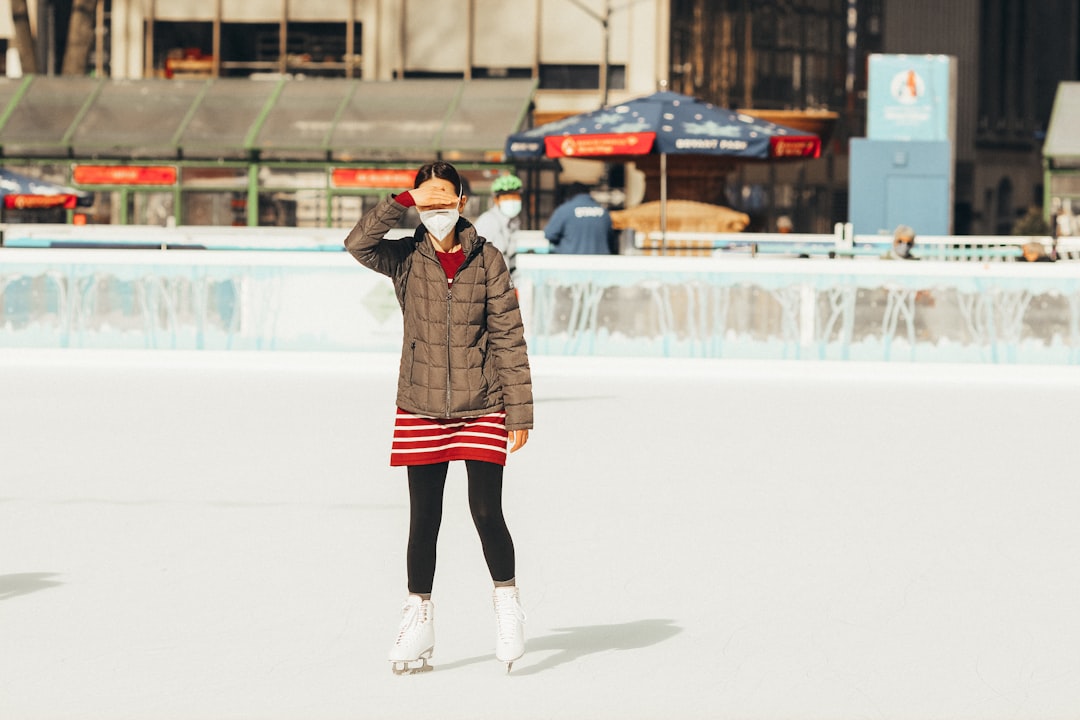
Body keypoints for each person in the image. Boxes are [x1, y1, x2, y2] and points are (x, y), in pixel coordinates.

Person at [343, 161, 533, 675]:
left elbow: (509, 337)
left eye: (443, 200)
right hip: (421, 405)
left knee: (486, 513)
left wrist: (520, 409)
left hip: (483, 403)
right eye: (426, 203)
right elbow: (357, 243)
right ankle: (418, 617)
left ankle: (507, 608)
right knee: (423, 521)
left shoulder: (488, 258)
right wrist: (400, 201)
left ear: (463, 201)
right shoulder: (405, 257)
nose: (435, 211)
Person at [544, 183, 618, 255]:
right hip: (600, 263)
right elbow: (611, 239)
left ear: (570, 195)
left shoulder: (565, 210)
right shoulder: (603, 211)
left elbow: (550, 234)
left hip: (572, 262)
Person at [473, 173, 524, 277]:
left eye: (515, 197)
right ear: (496, 200)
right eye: (506, 198)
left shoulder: (514, 222)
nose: (512, 201)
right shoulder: (488, 221)